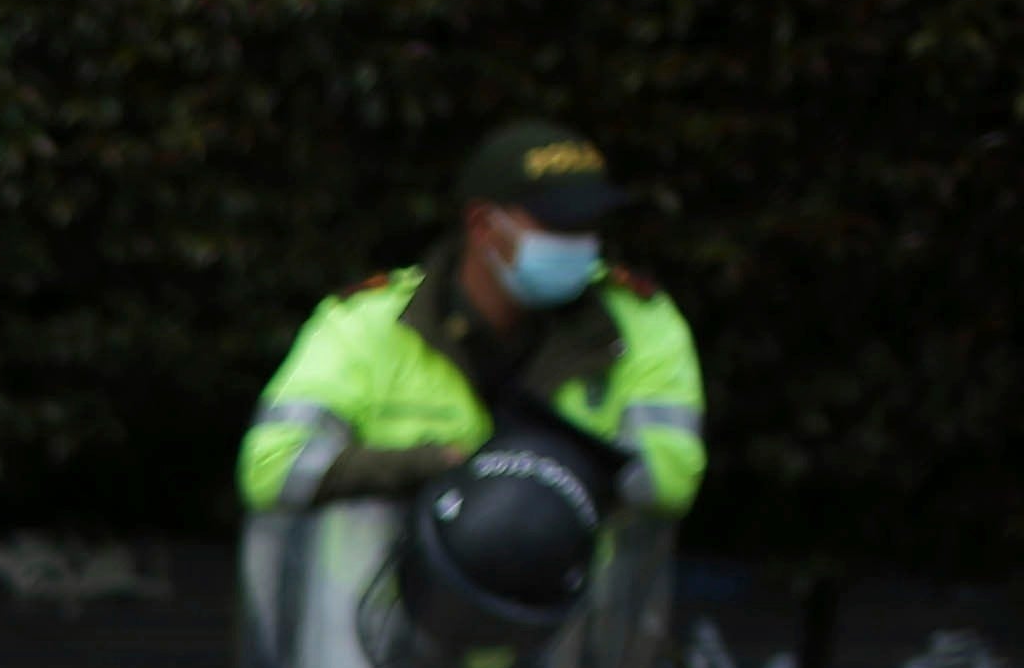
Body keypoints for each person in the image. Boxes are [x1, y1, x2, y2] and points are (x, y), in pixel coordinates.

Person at [239, 120, 706, 519]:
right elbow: (273, 468)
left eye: (589, 226)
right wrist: (433, 468)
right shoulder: (370, 324)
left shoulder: (640, 324)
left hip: (573, 611)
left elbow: (669, 481)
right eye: (559, 225)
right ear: (484, 225)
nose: (581, 244)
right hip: (381, 610)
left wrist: (527, 474)